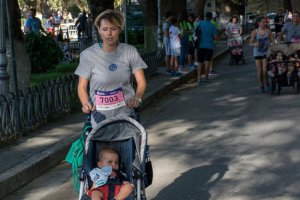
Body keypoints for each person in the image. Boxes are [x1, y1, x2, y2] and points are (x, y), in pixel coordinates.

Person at [75, 9, 147, 128]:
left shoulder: (130, 51)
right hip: (99, 116)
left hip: (126, 113)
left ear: (119, 30)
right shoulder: (88, 55)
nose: (109, 33)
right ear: (99, 30)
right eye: (104, 29)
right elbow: (82, 86)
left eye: (113, 29)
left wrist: (137, 98)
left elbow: (141, 81)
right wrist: (85, 103)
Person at [249, 16, 274, 94]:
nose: (265, 23)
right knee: (259, 71)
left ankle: (266, 81)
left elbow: (273, 41)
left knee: (265, 70)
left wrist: (271, 44)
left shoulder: (268, 31)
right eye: (263, 22)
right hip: (257, 53)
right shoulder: (254, 32)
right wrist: (255, 44)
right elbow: (250, 43)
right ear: (259, 23)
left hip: (265, 52)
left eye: (265, 22)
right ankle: (261, 85)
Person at [196, 12, 218, 85]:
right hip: (209, 46)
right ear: (211, 17)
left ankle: (199, 79)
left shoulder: (200, 23)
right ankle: (206, 78)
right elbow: (215, 37)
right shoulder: (212, 26)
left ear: (205, 16)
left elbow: (195, 33)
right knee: (207, 62)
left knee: (199, 62)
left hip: (200, 46)